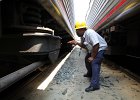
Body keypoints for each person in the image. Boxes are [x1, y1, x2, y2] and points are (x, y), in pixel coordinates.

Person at [68, 22, 107, 92]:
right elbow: (84, 46)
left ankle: (95, 85)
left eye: (77, 30)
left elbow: (96, 45)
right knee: (87, 59)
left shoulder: (89, 33)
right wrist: (76, 43)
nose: (76, 32)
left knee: (95, 62)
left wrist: (92, 57)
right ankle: (90, 73)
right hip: (94, 49)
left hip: (100, 48)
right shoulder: (83, 37)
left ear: (82, 29)